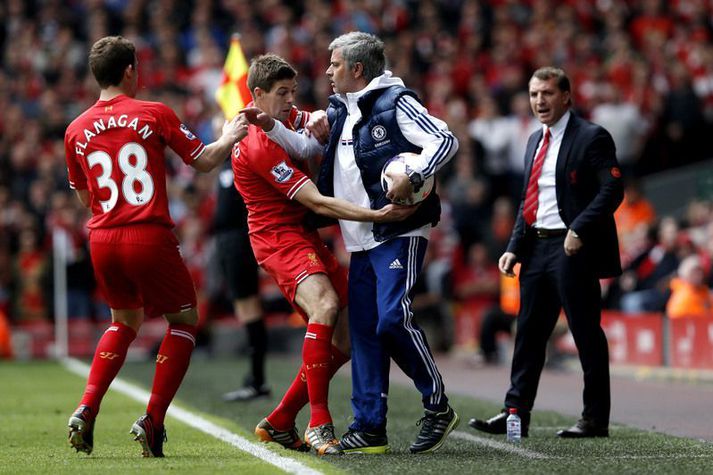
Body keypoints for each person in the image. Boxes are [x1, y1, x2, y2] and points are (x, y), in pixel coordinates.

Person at [267, 31, 460, 454]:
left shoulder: (397, 102)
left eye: (334, 64)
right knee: (365, 332)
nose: (328, 71)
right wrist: (268, 125)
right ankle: (369, 426)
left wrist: (414, 174)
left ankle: (437, 404)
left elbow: (445, 139)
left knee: (392, 319)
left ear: (356, 69)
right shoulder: (339, 109)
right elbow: (304, 145)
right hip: (360, 239)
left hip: (398, 230)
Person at [64, 36, 248, 457]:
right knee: (183, 320)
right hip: (147, 234)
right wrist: (232, 133)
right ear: (130, 70)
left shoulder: (75, 128)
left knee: (123, 320)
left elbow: (83, 198)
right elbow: (202, 160)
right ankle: (153, 419)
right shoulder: (153, 112)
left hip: (103, 238)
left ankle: (87, 407)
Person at [233, 53, 415, 456]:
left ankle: (280, 420)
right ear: (257, 95)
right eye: (281, 93)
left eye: (292, 92)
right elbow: (316, 202)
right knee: (327, 306)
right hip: (278, 239)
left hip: (303, 236)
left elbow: (315, 122)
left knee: (347, 339)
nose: (289, 100)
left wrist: (319, 117)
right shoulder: (256, 145)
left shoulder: (288, 116)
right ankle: (319, 422)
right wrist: (374, 214)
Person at [469, 66, 624, 439]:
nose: (540, 101)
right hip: (536, 248)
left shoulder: (591, 136)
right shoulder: (533, 141)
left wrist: (579, 228)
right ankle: (515, 414)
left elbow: (613, 189)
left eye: (548, 94)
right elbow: (528, 201)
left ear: (566, 97)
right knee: (528, 334)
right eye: (535, 94)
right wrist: (513, 248)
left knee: (585, 332)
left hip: (573, 249)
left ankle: (594, 419)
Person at [211, 143, 270, 402]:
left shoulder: (242, 157)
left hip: (239, 240)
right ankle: (255, 379)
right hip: (227, 242)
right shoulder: (224, 161)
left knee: (249, 308)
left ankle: (257, 379)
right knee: (243, 308)